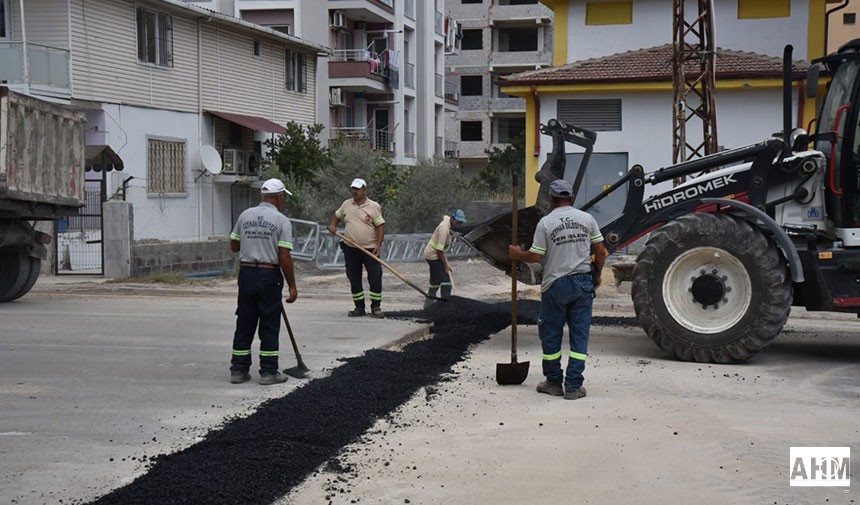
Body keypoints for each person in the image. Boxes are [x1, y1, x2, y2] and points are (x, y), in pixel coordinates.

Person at [508, 179, 608, 400]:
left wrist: (518, 255)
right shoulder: (587, 219)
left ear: (551, 199)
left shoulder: (546, 223)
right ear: (571, 198)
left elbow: (536, 256)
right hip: (583, 282)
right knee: (579, 337)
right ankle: (573, 387)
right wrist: (597, 275)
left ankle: (553, 382)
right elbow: (601, 251)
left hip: (556, 284)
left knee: (551, 335)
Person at [228, 178, 298, 386]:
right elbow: (284, 255)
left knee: (245, 322)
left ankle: (238, 370)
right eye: (283, 197)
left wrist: (253, 242)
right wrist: (292, 285)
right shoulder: (281, 220)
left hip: (247, 273)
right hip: (269, 274)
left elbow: (233, 246)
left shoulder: (245, 215)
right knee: (269, 323)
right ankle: (268, 372)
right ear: (279, 196)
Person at [327, 178, 386, 318]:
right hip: (350, 248)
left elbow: (380, 227)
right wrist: (333, 226)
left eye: (358, 189)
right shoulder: (347, 204)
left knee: (375, 277)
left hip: (370, 249)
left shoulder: (373, 206)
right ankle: (359, 307)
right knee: (354, 277)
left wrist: (378, 245)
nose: (355, 191)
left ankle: (376, 307)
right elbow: (337, 216)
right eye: (353, 188)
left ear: (364, 190)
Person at [423, 209, 467, 307]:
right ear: (453, 219)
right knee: (446, 280)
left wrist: (446, 264)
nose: (459, 225)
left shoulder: (448, 221)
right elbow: (439, 251)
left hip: (434, 254)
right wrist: (446, 266)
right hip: (433, 256)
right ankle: (445, 305)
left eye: (461, 223)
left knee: (435, 280)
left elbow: (444, 216)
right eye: (458, 222)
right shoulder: (444, 229)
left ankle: (428, 303)